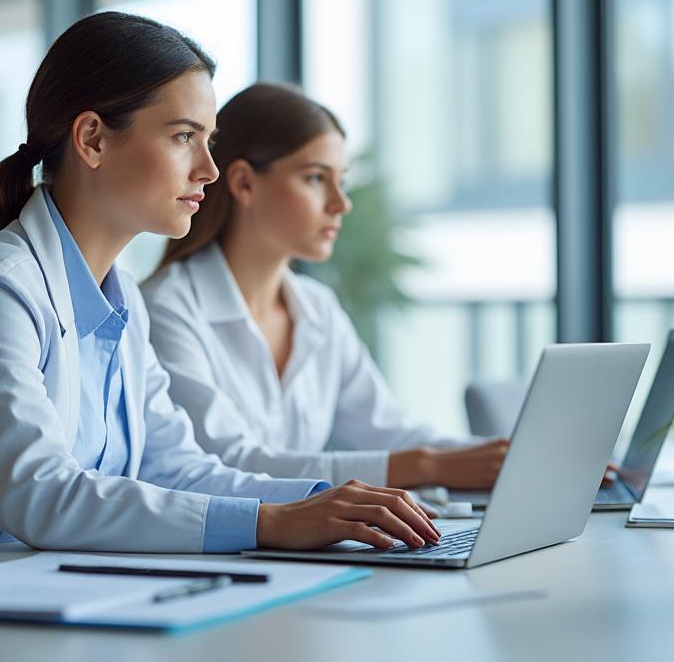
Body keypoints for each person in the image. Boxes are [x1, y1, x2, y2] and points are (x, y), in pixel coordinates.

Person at [0, 13, 439, 557]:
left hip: (20, 600)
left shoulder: (123, 306)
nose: (210, 170)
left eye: (209, 141)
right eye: (183, 137)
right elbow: (40, 495)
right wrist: (271, 521)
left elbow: (172, 465)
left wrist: (327, 502)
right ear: (92, 138)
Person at [142, 82, 510, 491]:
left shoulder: (317, 308)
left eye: (342, 181)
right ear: (244, 183)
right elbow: (227, 461)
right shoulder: (166, 309)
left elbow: (391, 431)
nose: (340, 203)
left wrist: (505, 455)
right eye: (316, 178)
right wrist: (426, 466)